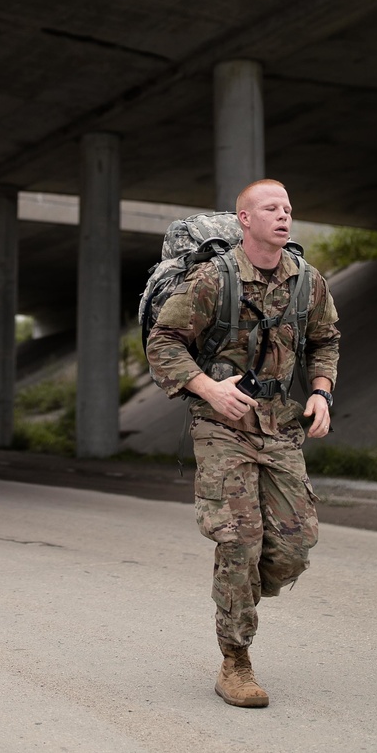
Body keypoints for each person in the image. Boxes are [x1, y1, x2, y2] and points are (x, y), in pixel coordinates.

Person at [145, 178, 339, 708]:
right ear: (245, 220)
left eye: (289, 208)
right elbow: (163, 341)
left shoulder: (308, 282)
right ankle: (236, 660)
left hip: (280, 427)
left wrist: (320, 392)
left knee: (294, 550)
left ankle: (240, 595)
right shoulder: (213, 279)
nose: (283, 216)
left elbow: (325, 339)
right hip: (221, 425)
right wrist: (208, 387)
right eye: (271, 208)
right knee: (238, 541)